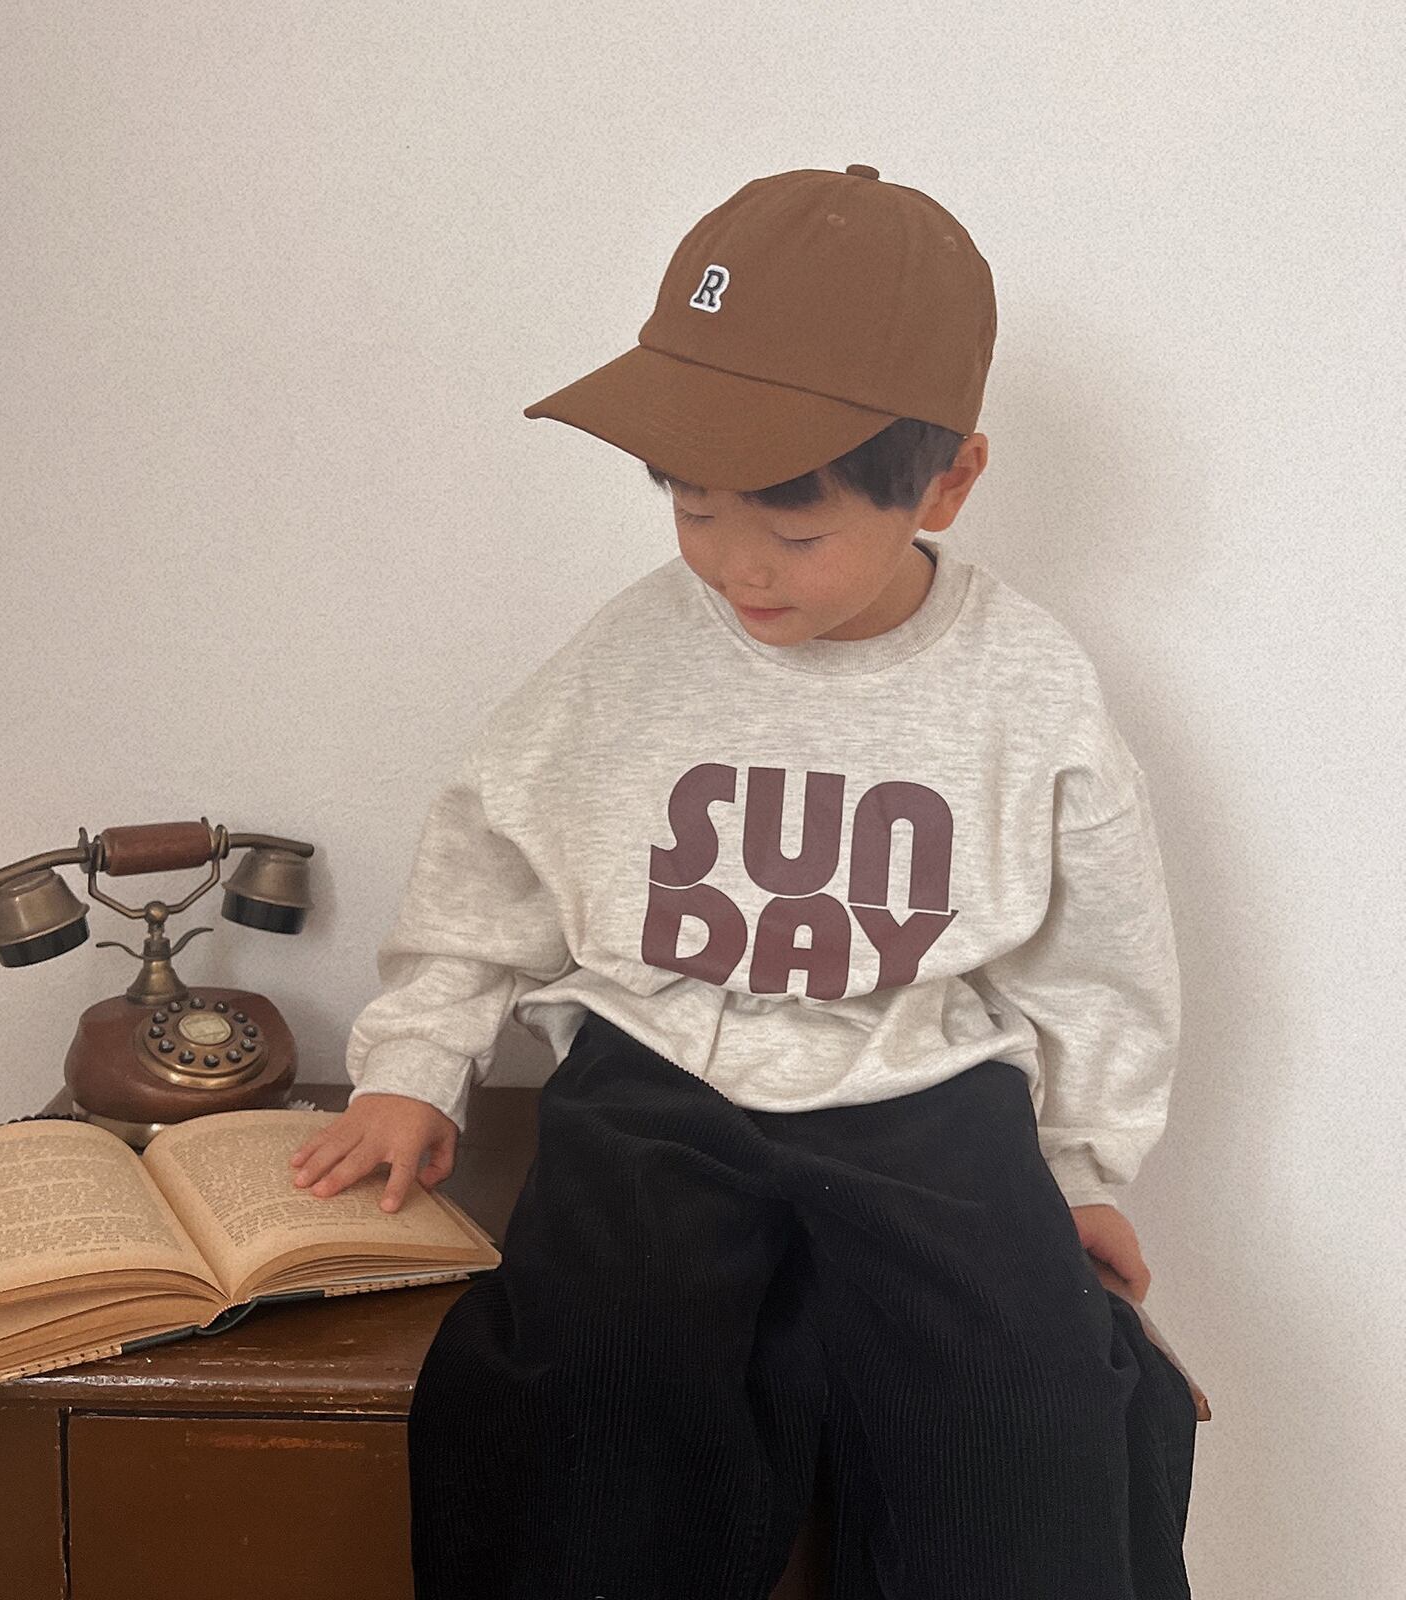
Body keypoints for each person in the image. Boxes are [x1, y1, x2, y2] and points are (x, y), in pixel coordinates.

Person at [290, 163, 1198, 1598]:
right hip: (655, 1075)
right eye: (693, 509)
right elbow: (489, 860)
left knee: (1025, 1416)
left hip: (924, 1091)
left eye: (795, 531)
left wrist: (1077, 1175)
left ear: (948, 481)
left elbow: (1098, 957)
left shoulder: (1023, 684)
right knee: (591, 1391)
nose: (738, 570)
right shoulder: (633, 650)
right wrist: (416, 1064)